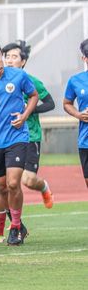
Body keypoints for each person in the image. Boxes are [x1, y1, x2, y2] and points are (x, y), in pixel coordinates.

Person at [0, 40, 38, 246]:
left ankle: (16, 227)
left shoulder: (18, 75)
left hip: (16, 137)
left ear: (0, 54)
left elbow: (33, 96)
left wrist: (24, 115)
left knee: (12, 183)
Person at [2, 41, 55, 208]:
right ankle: (15, 223)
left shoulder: (32, 81)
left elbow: (50, 103)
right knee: (9, 183)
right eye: (7, 57)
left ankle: (44, 187)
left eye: (14, 57)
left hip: (30, 135)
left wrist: (29, 110)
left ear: (23, 61)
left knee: (29, 180)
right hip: (7, 138)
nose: (9, 60)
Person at [63, 39, 88, 192]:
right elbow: (66, 103)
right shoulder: (75, 81)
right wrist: (79, 115)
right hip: (85, 140)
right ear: (84, 58)